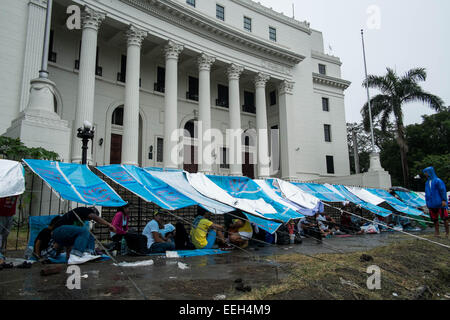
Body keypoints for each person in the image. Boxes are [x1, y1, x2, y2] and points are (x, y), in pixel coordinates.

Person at [34, 216, 101, 265]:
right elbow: (38, 243)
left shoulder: (57, 233)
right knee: (59, 242)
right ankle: (77, 254)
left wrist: (68, 256)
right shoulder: (46, 231)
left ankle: (85, 253)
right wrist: (38, 255)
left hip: (55, 252)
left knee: (65, 240)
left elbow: (67, 244)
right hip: (44, 253)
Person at [423, 167, 449, 238]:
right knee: (434, 219)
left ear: (430, 172)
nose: (425, 174)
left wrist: (444, 200)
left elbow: (442, 190)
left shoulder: (438, 181)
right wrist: (427, 202)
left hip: (440, 202)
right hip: (431, 203)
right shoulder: (427, 183)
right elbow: (427, 193)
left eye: (426, 172)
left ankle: (447, 233)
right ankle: (437, 232)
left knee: (444, 218)